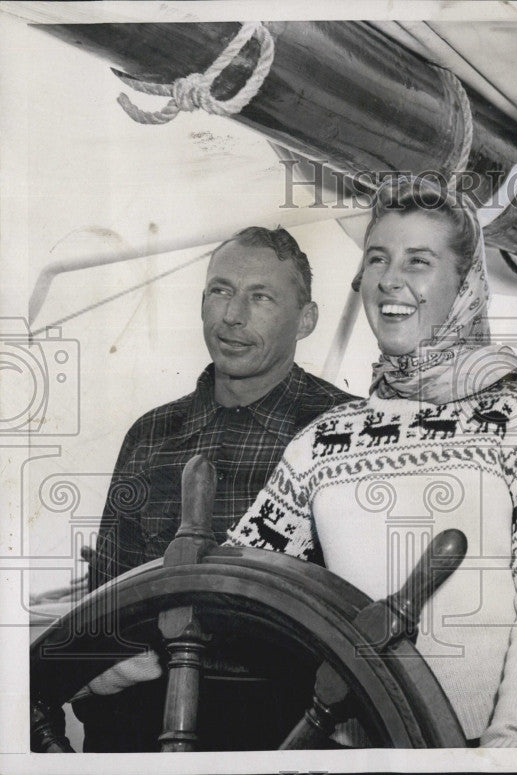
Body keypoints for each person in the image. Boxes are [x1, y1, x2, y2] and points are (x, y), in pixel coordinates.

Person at [226, 176, 517, 747]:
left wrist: (515, 739)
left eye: (418, 261)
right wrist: (119, 660)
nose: (391, 280)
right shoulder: (320, 442)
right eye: (378, 259)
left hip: (507, 746)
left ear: (465, 283)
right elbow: (233, 587)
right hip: (368, 746)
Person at [76, 226, 353, 751]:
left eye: (261, 297)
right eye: (221, 291)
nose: (233, 316)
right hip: (142, 716)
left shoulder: (344, 430)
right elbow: (105, 608)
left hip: (288, 722)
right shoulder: (151, 434)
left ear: (308, 319)